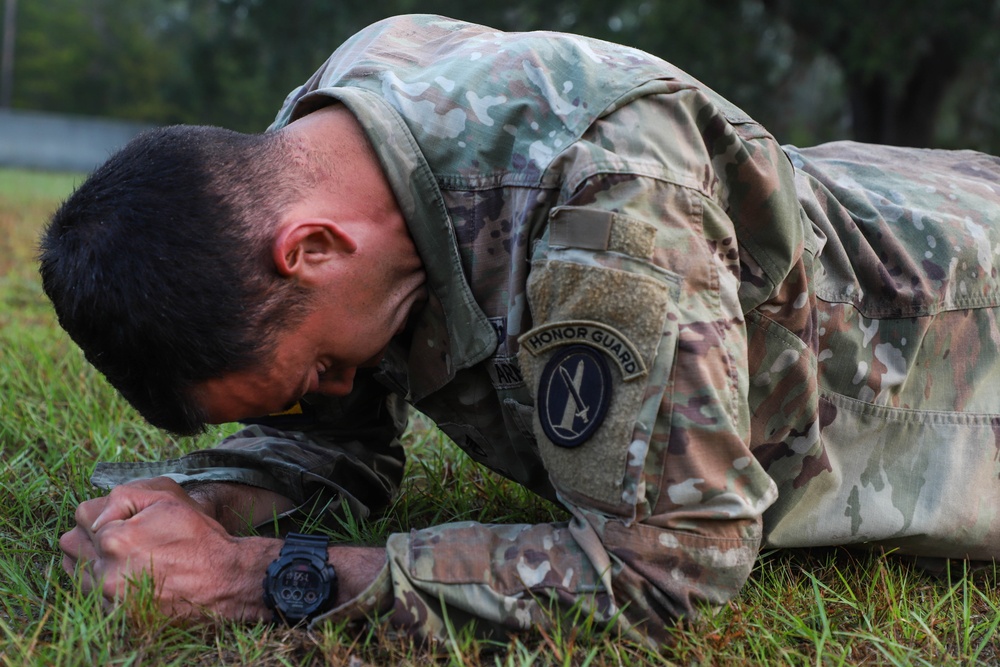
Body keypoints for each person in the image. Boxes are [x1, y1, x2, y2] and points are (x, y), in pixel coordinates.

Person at [43, 13, 1000, 644]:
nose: (331, 397)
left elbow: (672, 564)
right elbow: (345, 452)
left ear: (312, 248)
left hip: (963, 317)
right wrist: (194, 504)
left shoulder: (607, 214)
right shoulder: (323, 152)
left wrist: (258, 578)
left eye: (320, 370)